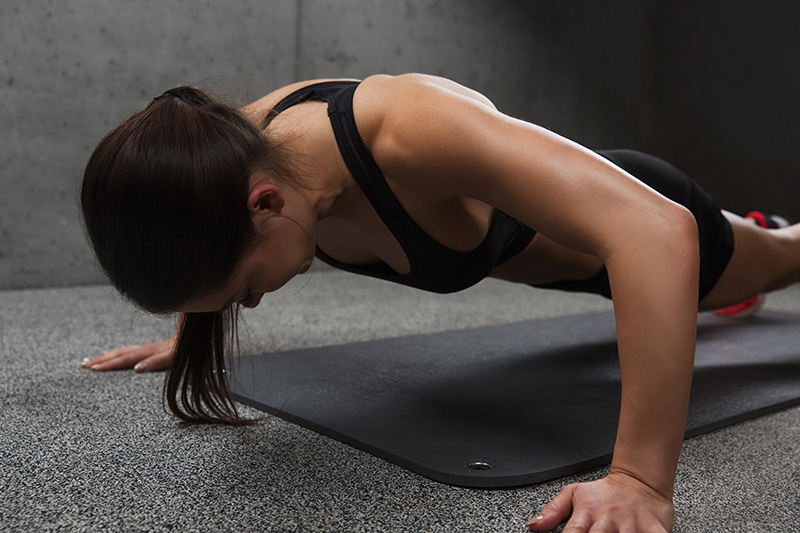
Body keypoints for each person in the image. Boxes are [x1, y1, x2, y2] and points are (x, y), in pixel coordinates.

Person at [80, 74, 800, 532]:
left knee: (782, 258)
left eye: (243, 292)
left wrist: (640, 481)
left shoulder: (408, 126)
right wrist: (191, 322)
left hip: (649, 230)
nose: (252, 306)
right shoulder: (239, 153)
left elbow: (653, 230)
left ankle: (768, 237)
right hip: (583, 256)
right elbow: (195, 221)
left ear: (264, 203)